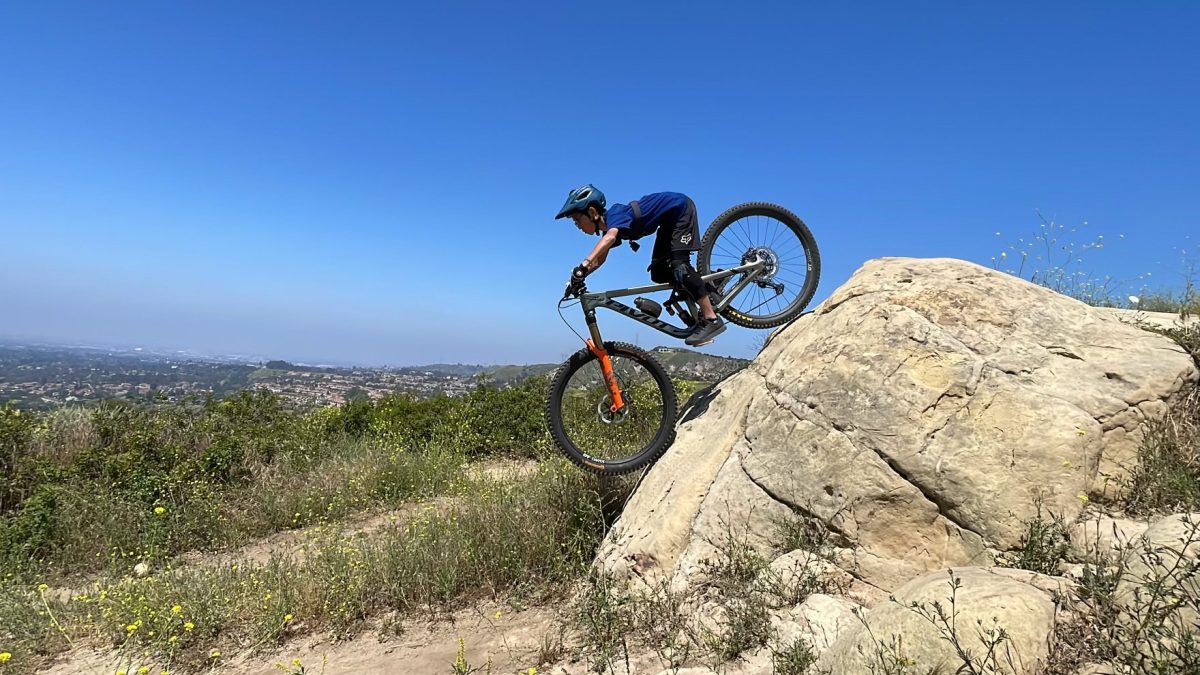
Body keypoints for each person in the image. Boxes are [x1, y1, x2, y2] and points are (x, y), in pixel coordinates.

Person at [555, 184, 726, 346]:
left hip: (680, 209)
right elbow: (600, 259)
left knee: (679, 266)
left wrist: (583, 265)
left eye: (577, 219)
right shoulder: (611, 227)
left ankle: (711, 319)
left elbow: (610, 238)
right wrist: (579, 277)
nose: (576, 225)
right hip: (667, 223)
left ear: (592, 212)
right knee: (658, 273)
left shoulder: (615, 214)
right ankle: (707, 286)